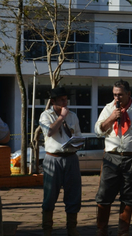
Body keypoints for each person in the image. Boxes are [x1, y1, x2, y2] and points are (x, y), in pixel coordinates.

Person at [94, 80, 132, 236]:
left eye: (120, 94)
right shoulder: (108, 108)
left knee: (129, 196)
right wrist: (112, 118)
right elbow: (98, 130)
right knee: (104, 195)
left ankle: (123, 232)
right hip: (111, 157)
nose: (117, 98)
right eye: (114, 94)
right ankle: (102, 230)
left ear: (129, 94)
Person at [39, 87, 82, 236]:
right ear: (53, 101)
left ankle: (72, 228)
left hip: (71, 158)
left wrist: (78, 143)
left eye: (66, 99)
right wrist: (61, 118)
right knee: (50, 195)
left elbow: (77, 134)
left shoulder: (73, 116)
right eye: (62, 99)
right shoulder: (46, 115)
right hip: (53, 159)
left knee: (74, 194)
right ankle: (47, 229)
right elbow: (49, 132)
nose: (65, 102)